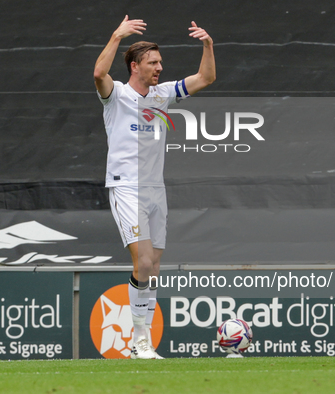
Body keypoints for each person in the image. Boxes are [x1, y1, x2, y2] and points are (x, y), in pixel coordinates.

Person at [93, 16, 216, 359]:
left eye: (160, 62)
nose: (160, 68)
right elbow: (99, 74)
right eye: (153, 63)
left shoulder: (163, 94)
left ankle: (142, 344)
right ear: (135, 67)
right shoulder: (116, 94)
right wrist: (117, 34)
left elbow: (206, 77)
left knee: (154, 265)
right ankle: (139, 340)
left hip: (154, 190)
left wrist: (207, 45)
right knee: (143, 263)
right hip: (126, 187)